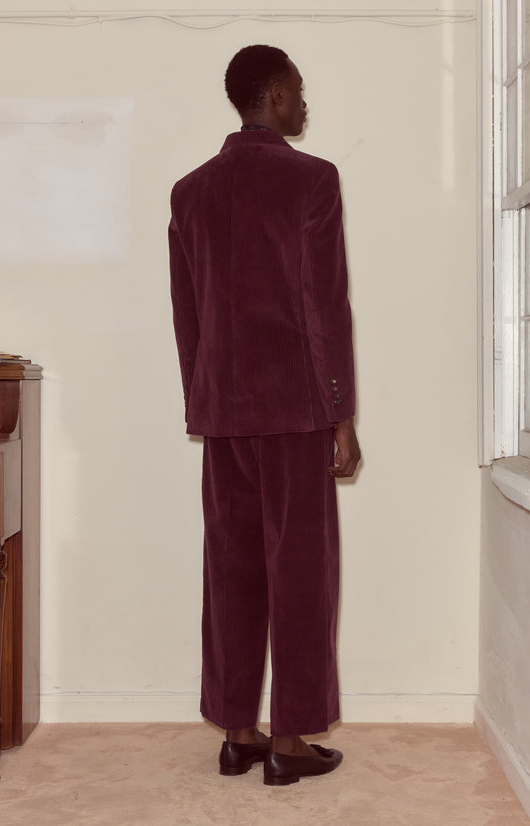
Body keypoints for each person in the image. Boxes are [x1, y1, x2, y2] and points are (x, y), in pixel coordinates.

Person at [169, 44, 361, 786]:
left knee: (233, 567)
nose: (304, 104)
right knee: (302, 572)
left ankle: (238, 732)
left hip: (223, 411)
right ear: (275, 93)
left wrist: (203, 399)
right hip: (293, 408)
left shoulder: (189, 192)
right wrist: (340, 414)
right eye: (300, 92)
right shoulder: (312, 180)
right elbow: (324, 305)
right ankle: (288, 742)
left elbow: (187, 315)